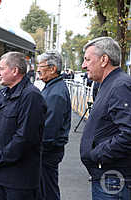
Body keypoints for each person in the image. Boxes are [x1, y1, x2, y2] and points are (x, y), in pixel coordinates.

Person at [0, 52, 47, 200]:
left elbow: (25, 138)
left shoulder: (31, 97)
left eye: (1, 69)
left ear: (15, 71)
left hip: (19, 181)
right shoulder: (2, 94)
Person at [80, 37, 131, 200]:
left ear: (104, 60)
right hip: (109, 178)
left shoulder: (120, 86)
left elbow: (128, 133)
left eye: (87, 59)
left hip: (113, 180)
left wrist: (97, 154)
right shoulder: (109, 84)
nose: (83, 65)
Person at [37, 50, 71, 200]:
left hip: (47, 153)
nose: (38, 69)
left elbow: (49, 130)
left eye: (41, 66)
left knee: (48, 191)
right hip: (48, 151)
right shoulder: (53, 87)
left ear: (52, 69)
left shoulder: (55, 93)